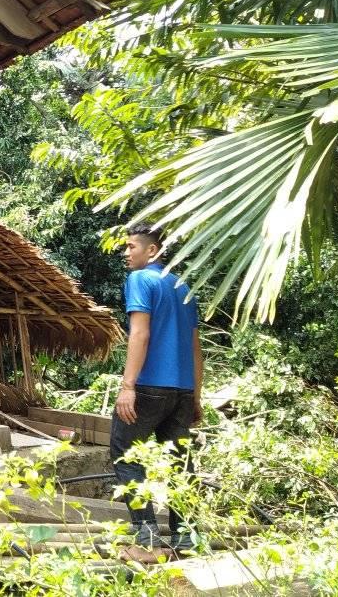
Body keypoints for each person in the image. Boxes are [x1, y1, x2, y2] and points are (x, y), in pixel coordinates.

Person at [111, 224, 203, 562]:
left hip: (150, 386)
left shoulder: (140, 280)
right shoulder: (183, 286)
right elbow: (195, 346)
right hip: (181, 389)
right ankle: (186, 537)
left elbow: (140, 334)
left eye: (132, 246)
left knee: (125, 452)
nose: (126, 252)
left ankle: (146, 542)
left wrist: (127, 386)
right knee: (180, 462)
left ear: (153, 251)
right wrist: (195, 396)